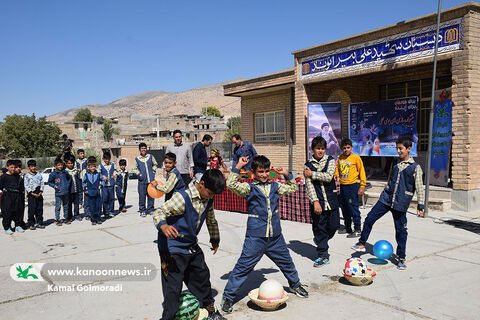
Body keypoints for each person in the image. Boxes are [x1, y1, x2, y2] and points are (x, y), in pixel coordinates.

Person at [221, 155, 308, 314]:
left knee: (286, 262)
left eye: (267, 171)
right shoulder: (248, 188)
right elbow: (230, 184)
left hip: (275, 237)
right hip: (255, 238)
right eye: (260, 171)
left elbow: (293, 187)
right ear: (253, 172)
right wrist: (238, 167)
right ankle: (228, 297)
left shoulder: (276, 186)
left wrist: (287, 174)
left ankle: (295, 285)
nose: (264, 174)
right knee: (242, 267)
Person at [153, 169, 227, 320]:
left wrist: (215, 239)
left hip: (190, 244)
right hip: (171, 247)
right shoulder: (182, 197)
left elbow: (211, 219)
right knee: (172, 288)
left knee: (202, 277)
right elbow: (159, 212)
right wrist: (163, 226)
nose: (211, 197)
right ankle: (168, 317)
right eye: (210, 193)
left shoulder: (208, 199)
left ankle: (210, 310)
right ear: (202, 184)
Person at [352, 136, 425, 270]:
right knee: (369, 218)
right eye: (397, 148)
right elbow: (391, 179)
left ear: (409, 149)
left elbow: (420, 187)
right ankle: (362, 243)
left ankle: (401, 258)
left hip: (401, 203)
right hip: (386, 199)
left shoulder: (415, 167)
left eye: (401, 148)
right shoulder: (395, 163)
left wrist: (421, 205)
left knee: (401, 231)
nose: (398, 151)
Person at [304, 136, 340, 267]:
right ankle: (323, 255)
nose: (320, 151)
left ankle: (320, 240)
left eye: (322, 149)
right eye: (318, 148)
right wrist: (315, 202)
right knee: (320, 228)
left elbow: (329, 176)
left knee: (334, 225)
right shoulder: (307, 165)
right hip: (318, 203)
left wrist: (312, 174)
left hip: (332, 200)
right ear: (312, 149)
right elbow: (309, 185)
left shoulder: (330, 160)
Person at [335, 138, 367, 237]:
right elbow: (337, 167)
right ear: (341, 149)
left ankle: (357, 229)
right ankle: (347, 227)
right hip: (343, 186)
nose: (346, 150)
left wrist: (362, 186)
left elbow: (362, 171)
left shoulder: (356, 158)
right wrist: (336, 174)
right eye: (344, 148)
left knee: (353, 207)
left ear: (352, 148)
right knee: (344, 208)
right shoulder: (340, 158)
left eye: (348, 148)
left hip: (352, 186)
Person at [132, 143, 158, 217]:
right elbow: (133, 169)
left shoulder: (150, 157)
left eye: (145, 148)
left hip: (151, 181)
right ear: (139, 150)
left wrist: (153, 171)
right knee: (142, 196)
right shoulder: (137, 159)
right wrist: (139, 174)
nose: (143, 149)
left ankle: (150, 209)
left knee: (151, 195)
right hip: (142, 181)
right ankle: (142, 210)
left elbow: (155, 164)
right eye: (142, 148)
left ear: (146, 149)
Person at [0, 160, 26, 234]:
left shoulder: (17, 176)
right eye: (11, 167)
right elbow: (1, 186)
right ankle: (7, 227)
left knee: (18, 211)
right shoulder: (3, 177)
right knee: (7, 212)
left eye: (14, 167)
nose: (13, 169)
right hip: (7, 196)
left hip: (17, 196)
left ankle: (18, 225)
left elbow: (20, 186)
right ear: (7, 167)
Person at [48, 158, 71, 226]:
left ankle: (66, 218)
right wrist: (55, 186)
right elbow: (49, 182)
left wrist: (67, 185)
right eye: (58, 165)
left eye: (61, 165)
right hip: (58, 193)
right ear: (55, 166)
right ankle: (57, 219)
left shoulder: (65, 172)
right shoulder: (53, 174)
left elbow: (69, 179)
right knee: (58, 206)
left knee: (66, 206)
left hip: (66, 192)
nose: (60, 166)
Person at [24, 160, 45, 230]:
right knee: (31, 210)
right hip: (31, 195)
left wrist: (41, 192)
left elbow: (42, 183)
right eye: (31, 166)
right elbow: (26, 185)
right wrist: (32, 193)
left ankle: (39, 222)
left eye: (34, 166)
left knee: (39, 209)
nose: (33, 168)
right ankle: (31, 223)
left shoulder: (39, 174)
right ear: (29, 167)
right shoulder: (27, 176)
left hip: (39, 194)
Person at [83, 158, 104, 225]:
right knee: (92, 207)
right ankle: (93, 219)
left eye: (94, 166)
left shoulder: (98, 174)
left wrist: (101, 185)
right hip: (90, 194)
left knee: (98, 207)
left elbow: (103, 180)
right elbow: (83, 182)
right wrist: (85, 188)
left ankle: (98, 219)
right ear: (88, 167)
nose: (93, 168)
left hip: (97, 193)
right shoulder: (86, 175)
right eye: (91, 167)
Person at [65, 155, 82, 222]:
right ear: (66, 164)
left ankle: (76, 214)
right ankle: (70, 216)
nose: (70, 165)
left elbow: (79, 179)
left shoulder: (77, 171)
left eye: (71, 163)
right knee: (69, 204)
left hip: (76, 190)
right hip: (69, 191)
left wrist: (80, 188)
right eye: (69, 163)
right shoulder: (65, 172)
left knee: (76, 203)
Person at [99, 151, 116, 218]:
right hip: (104, 185)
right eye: (106, 159)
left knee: (111, 198)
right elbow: (98, 173)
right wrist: (102, 176)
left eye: (108, 159)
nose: (107, 160)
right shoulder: (101, 165)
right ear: (103, 159)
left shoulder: (113, 164)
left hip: (111, 184)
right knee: (105, 198)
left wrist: (115, 174)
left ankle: (111, 211)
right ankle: (105, 212)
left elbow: (117, 171)